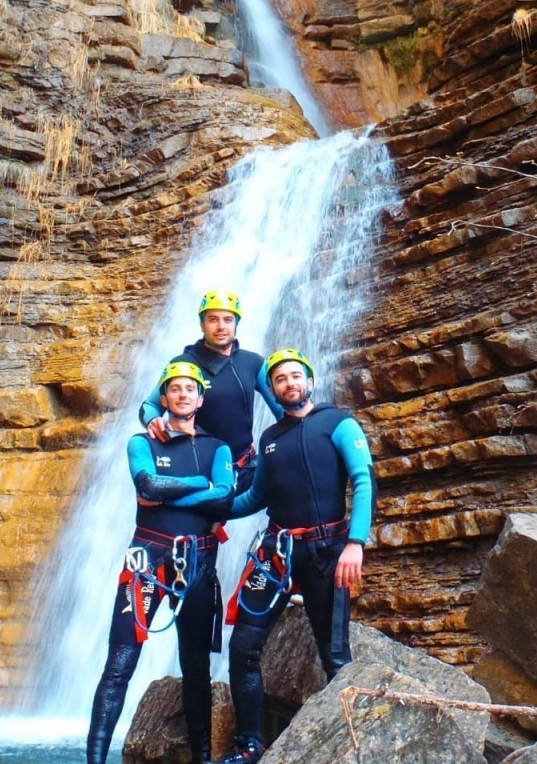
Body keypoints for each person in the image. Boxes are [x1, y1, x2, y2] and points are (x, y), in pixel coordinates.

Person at [210, 348, 375, 764]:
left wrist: (355, 543)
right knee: (244, 646)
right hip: (276, 553)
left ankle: (355, 745)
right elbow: (255, 496)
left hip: (328, 551)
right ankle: (249, 744)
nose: (288, 384)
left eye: (294, 376)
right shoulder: (269, 440)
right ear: (273, 389)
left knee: (335, 655)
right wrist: (210, 509)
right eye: (279, 379)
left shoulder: (338, 423)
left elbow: (363, 480)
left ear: (309, 381)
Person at [87, 362, 235, 764]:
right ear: (164, 398)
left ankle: (203, 756)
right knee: (120, 661)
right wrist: (199, 484)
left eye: (190, 389)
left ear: (200, 399)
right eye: (175, 389)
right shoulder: (141, 443)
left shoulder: (217, 448)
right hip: (147, 563)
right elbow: (147, 484)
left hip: (197, 562)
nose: (183, 395)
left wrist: (171, 495)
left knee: (195, 664)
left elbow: (224, 499)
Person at [139, 290, 281, 492]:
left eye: (228, 319)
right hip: (198, 470)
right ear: (202, 324)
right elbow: (149, 406)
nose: (221, 326)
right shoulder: (183, 363)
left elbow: (283, 409)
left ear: (236, 324)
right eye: (213, 319)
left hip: (246, 467)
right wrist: (153, 420)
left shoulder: (253, 363)